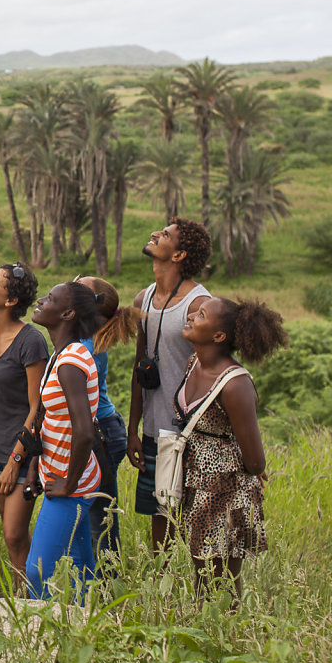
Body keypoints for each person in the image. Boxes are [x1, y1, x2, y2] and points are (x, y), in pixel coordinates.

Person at [177, 297, 286, 602]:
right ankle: (207, 639)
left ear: (219, 336)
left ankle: (229, 640)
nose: (190, 317)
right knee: (201, 576)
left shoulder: (235, 384)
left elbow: (255, 461)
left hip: (226, 493)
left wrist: (245, 465)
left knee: (223, 581)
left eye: (200, 315)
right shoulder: (193, 363)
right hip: (196, 484)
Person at [127, 218, 213, 551]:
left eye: (165, 235)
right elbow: (139, 366)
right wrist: (134, 428)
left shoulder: (198, 305)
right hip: (155, 432)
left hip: (191, 432)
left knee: (194, 523)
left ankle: (199, 597)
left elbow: (211, 371)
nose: (155, 234)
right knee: (160, 525)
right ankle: (164, 595)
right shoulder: (142, 299)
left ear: (178, 255)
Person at [25, 282, 102, 600]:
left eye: (51, 299)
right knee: (82, 565)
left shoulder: (71, 363)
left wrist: (68, 482)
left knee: (37, 569)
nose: (41, 301)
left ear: (67, 313)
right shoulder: (62, 354)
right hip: (59, 473)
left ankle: (36, 635)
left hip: (72, 483)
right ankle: (87, 624)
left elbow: (85, 431)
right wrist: (35, 466)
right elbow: (49, 420)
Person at [0, 263, 48, 583]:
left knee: (14, 534)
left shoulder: (31, 342)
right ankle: (26, 598)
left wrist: (16, 460)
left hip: (19, 453)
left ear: (10, 301)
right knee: (11, 533)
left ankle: (30, 602)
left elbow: (38, 407)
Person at [75, 276, 141, 561]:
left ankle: (105, 590)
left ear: (92, 302)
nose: (72, 283)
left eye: (79, 284)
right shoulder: (85, 338)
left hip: (99, 432)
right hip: (102, 427)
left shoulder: (88, 346)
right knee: (95, 517)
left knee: (99, 522)